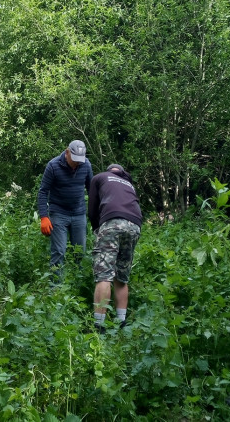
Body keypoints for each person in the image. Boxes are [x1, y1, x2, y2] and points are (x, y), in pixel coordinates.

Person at [88, 164, 142, 333]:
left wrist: (97, 229)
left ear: (109, 170)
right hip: (135, 226)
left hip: (112, 222)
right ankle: (121, 322)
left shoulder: (99, 178)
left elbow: (92, 209)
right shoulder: (129, 184)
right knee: (122, 276)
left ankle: (99, 325)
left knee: (104, 275)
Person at [37, 140, 93, 276]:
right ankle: (56, 291)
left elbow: (92, 189)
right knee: (59, 251)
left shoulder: (86, 165)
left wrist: (97, 211)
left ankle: (78, 285)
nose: (77, 163)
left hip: (79, 213)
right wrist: (44, 217)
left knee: (79, 252)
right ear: (67, 152)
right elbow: (43, 192)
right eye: (74, 160)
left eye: (80, 160)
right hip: (59, 213)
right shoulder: (53, 165)